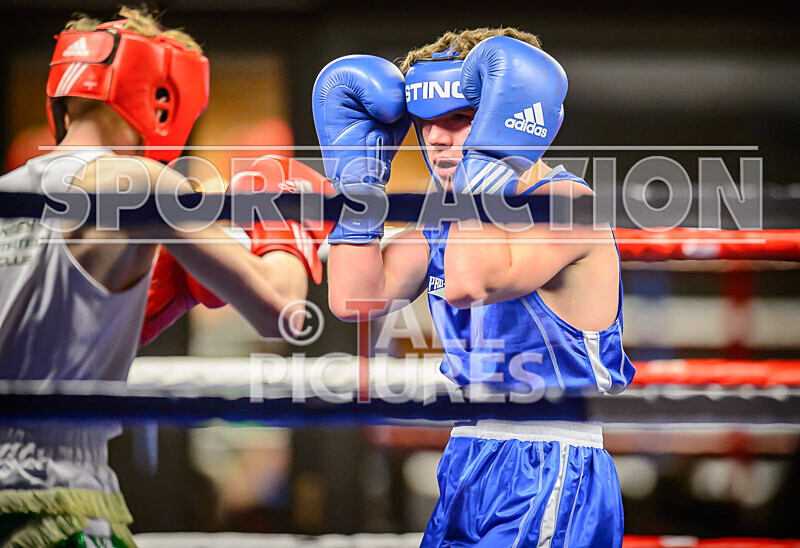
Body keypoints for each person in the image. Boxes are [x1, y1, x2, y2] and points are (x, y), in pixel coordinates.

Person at [0, 8, 326, 547]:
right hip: (58, 493)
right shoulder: (139, 183)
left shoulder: (10, 190)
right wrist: (287, 219)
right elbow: (282, 308)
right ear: (163, 99)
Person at [315, 28, 635, 547]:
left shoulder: (567, 204)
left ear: (509, 117)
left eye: (460, 118)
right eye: (425, 122)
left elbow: (470, 283)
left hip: (550, 462)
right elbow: (355, 299)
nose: (436, 138)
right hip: (467, 454)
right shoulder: (442, 221)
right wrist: (358, 188)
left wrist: (482, 170)